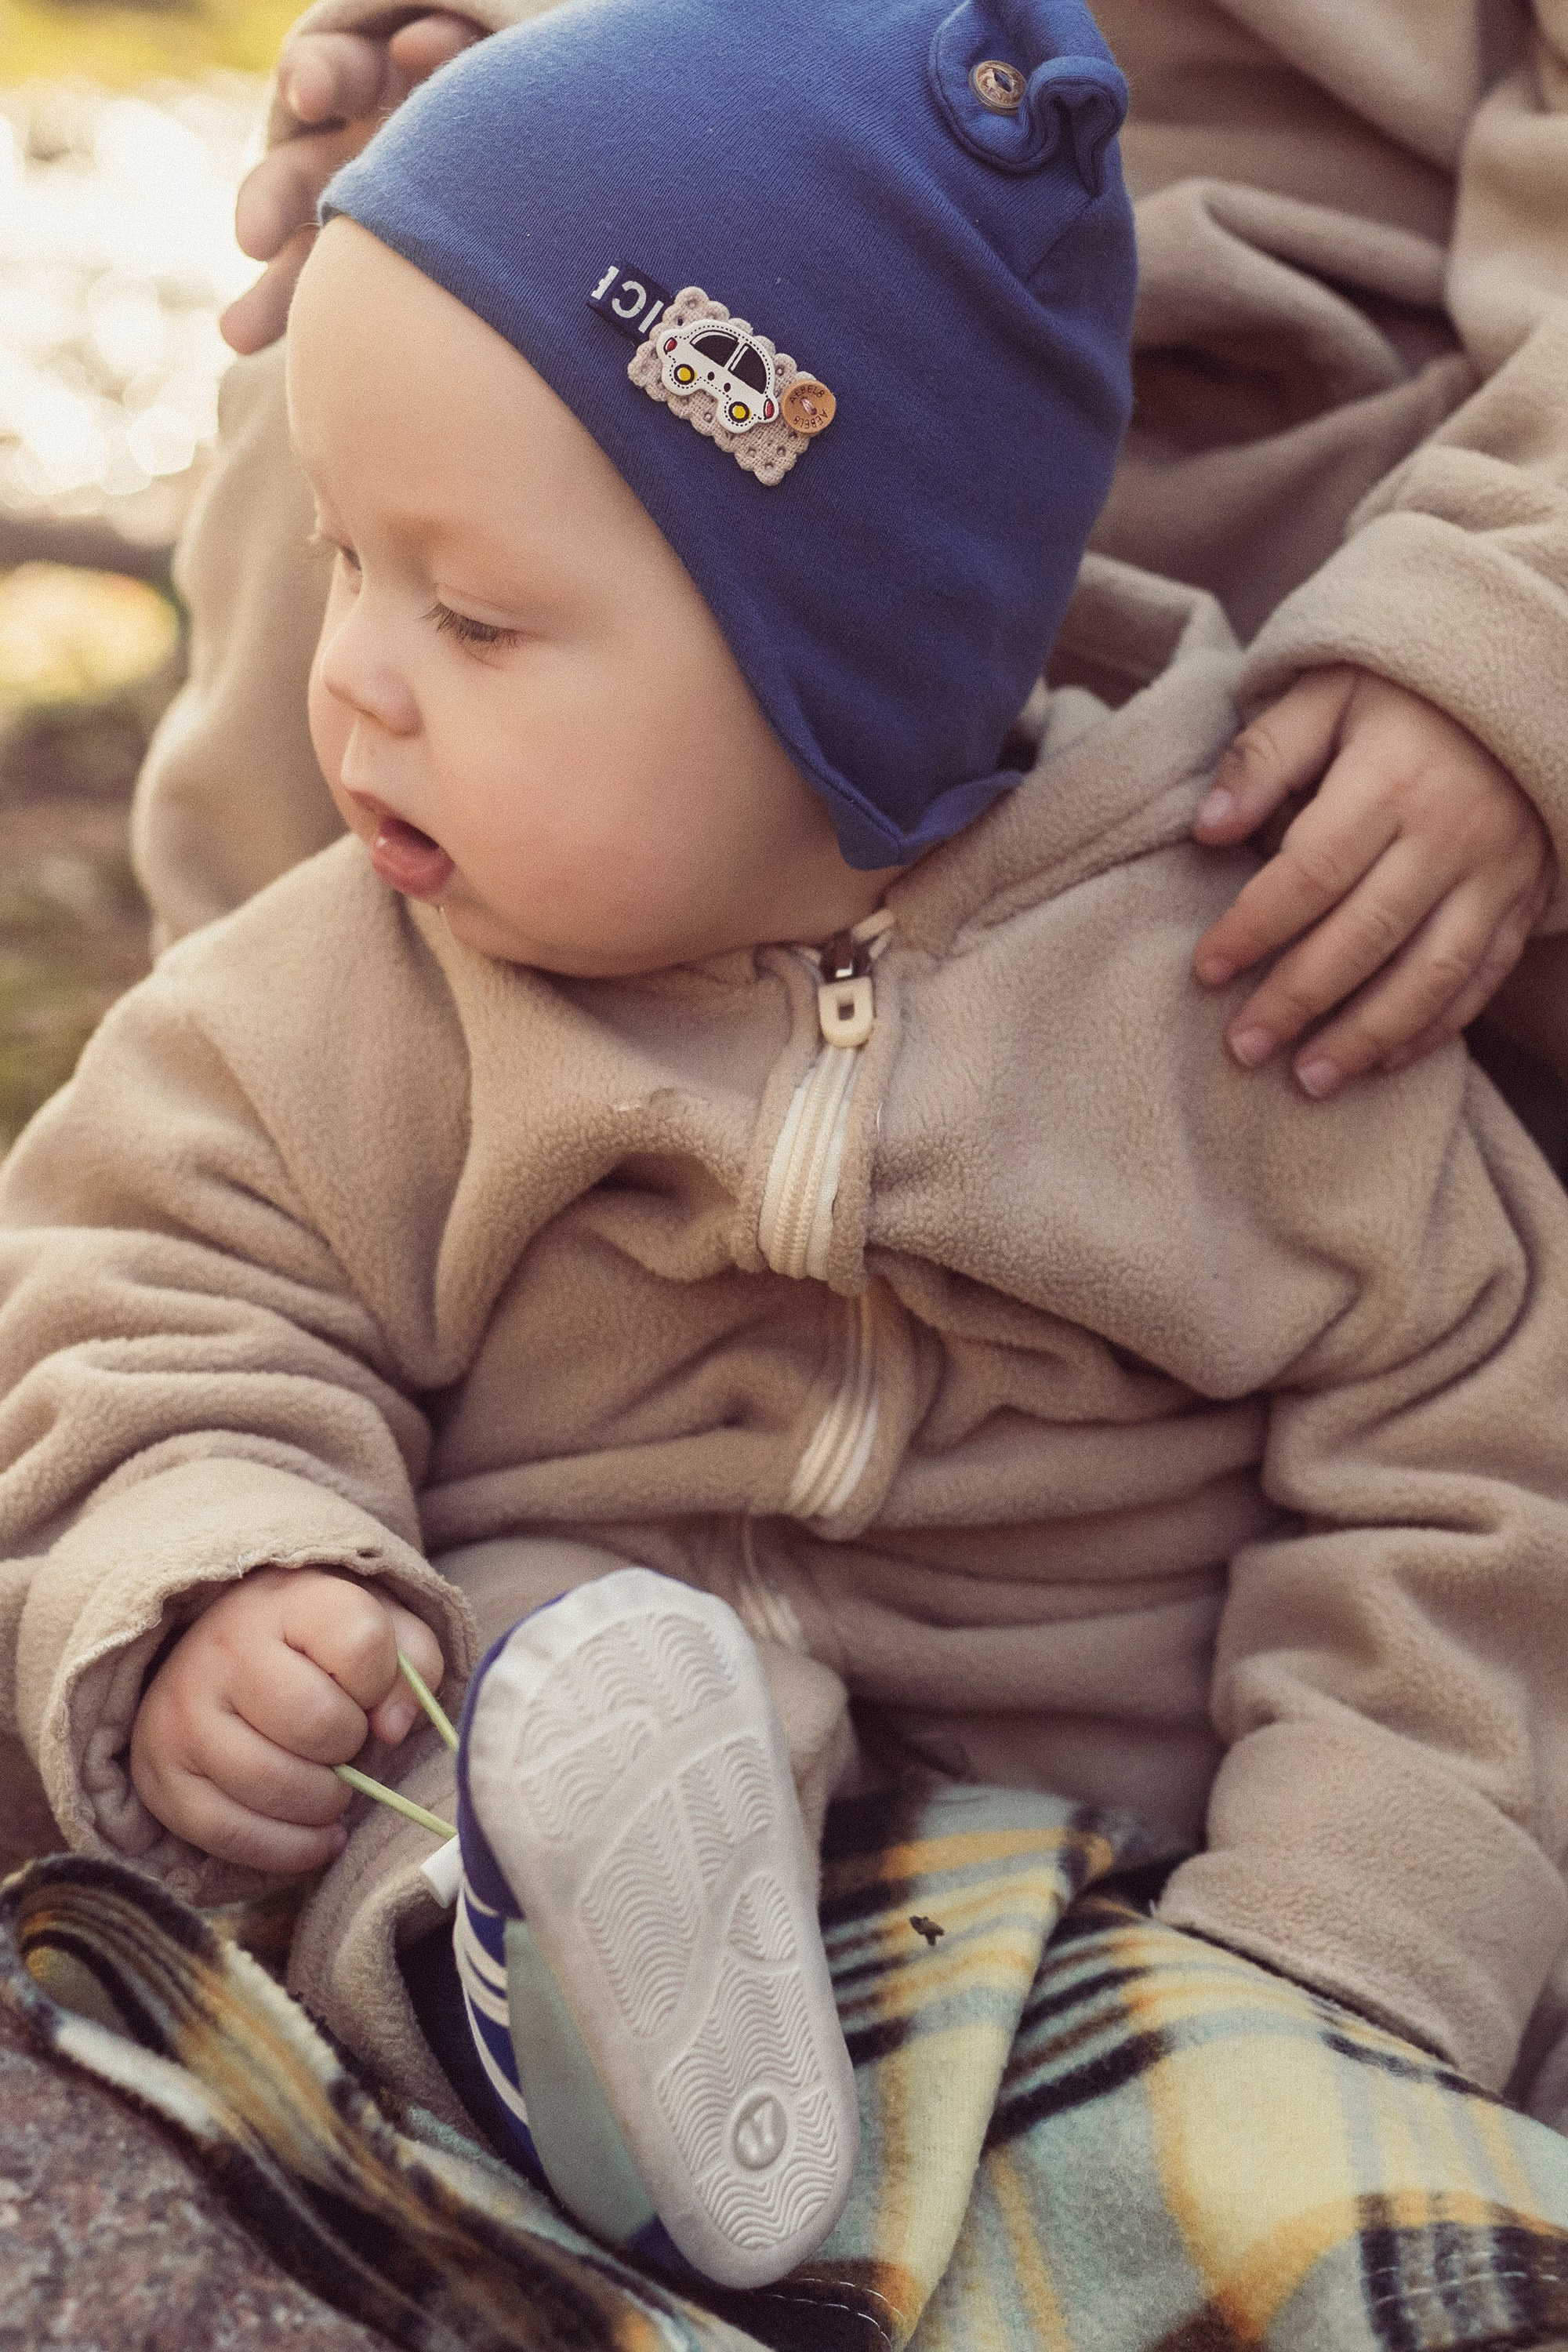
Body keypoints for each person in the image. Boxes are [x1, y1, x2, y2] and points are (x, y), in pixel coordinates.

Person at [9, 0, 1568, 2316]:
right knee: (458, 1744)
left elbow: (1471, 1487)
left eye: (479, 616)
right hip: (564, 1678)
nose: (360, 685)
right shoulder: (350, 992)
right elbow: (141, 1292)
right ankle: (532, 2002)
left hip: (1134, 1797)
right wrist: (234, 1575)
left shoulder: (1221, 997)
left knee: (1308, 2159)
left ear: (845, 672)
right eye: (349, 565)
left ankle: (1197, 2096)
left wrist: (1346, 1941)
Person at [133, 0, 1568, 1113]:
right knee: (364, 444)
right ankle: (247, 1123)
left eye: (478, 623)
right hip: (709, 250)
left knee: (1389, 858)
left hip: (1340, 411)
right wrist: (480, 85)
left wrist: (1511, 591)